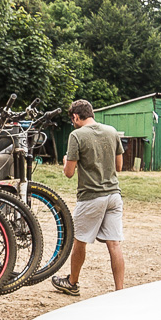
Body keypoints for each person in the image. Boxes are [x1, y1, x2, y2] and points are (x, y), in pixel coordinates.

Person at [52, 100, 124, 296]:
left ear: (75, 116)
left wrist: (66, 160)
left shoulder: (76, 135)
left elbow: (69, 173)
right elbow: (119, 166)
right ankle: (120, 290)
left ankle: (72, 283)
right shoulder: (111, 131)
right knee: (114, 244)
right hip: (114, 195)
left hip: (91, 197)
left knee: (80, 241)